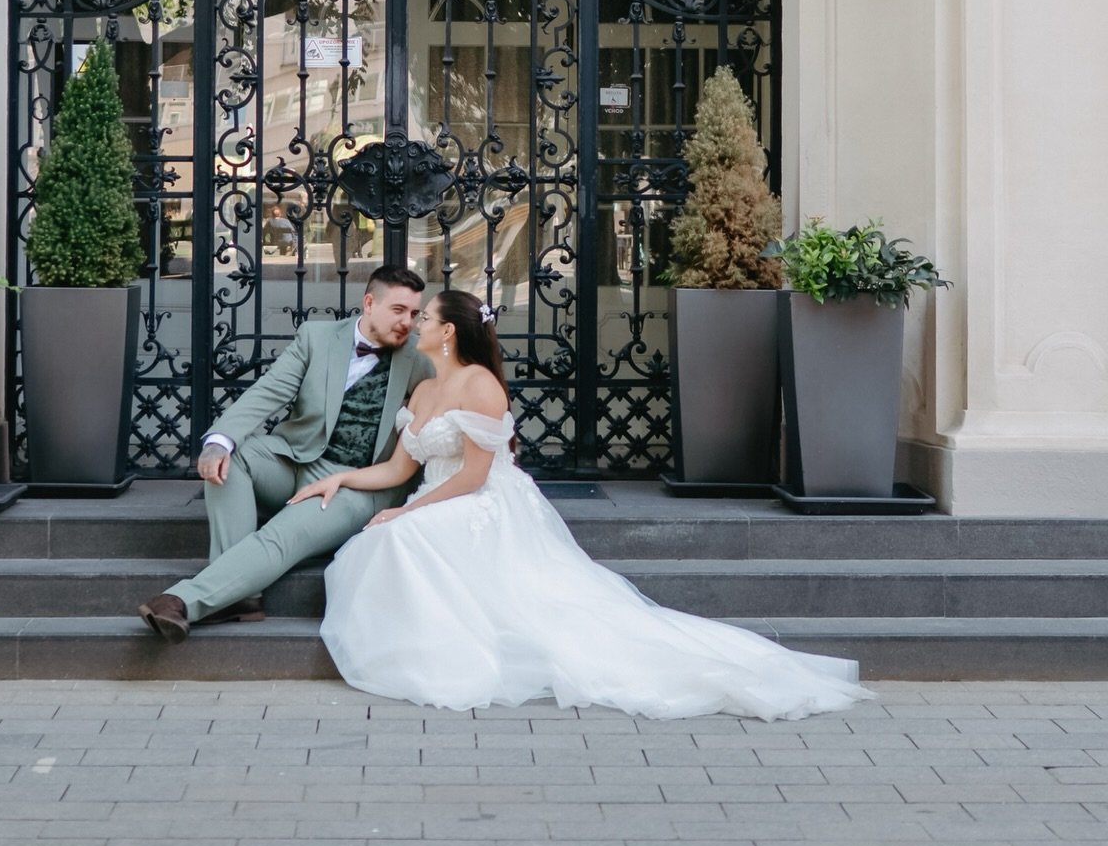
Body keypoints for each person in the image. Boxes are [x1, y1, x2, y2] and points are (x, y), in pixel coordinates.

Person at [293, 288, 870, 721]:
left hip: (479, 499)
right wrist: (340, 479)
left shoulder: (480, 387)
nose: (415, 322)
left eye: (425, 316)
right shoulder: (422, 388)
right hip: (437, 495)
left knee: (400, 537)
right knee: (379, 540)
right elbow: (400, 468)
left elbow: (472, 476)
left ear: (447, 332)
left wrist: (408, 511)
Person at [138, 265, 435, 640]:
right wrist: (218, 441)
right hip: (295, 458)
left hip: (357, 485)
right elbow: (268, 391)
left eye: (413, 313)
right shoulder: (317, 337)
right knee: (232, 459)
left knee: (281, 534)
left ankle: (183, 601)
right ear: (369, 303)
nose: (408, 322)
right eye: (398, 310)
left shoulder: (421, 359)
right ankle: (240, 594)